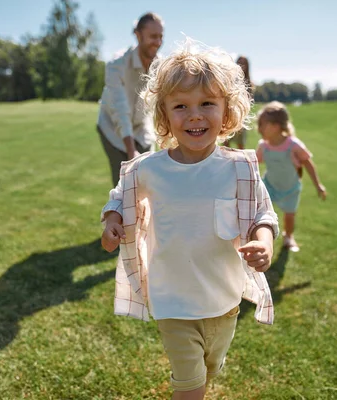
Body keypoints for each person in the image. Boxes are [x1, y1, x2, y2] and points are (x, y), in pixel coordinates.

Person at [100, 40, 279, 400]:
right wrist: (112, 219)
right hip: (172, 301)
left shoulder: (238, 168)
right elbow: (121, 193)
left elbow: (262, 212)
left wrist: (264, 241)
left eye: (207, 104)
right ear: (165, 116)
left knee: (209, 369)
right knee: (190, 385)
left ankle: (201, 372)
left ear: (227, 112)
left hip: (224, 302)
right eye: (181, 106)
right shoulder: (150, 169)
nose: (195, 115)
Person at [97, 12, 164, 187]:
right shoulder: (116, 65)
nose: (157, 42)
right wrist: (131, 150)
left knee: (149, 180)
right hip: (113, 129)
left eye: (160, 37)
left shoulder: (161, 67)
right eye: (153, 36)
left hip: (142, 128)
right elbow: (120, 109)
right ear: (138, 35)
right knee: (124, 185)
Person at [255, 101, 327, 252]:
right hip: (270, 185)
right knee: (259, 210)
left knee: (289, 215)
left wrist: (318, 185)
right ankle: (257, 236)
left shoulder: (292, 145)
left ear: (275, 126)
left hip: (291, 188)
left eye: (262, 124)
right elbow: (254, 163)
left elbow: (308, 163)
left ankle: (289, 237)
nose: (259, 128)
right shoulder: (263, 146)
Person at [225, 55, 254, 149]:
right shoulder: (230, 80)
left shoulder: (249, 83)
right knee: (226, 140)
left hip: (242, 116)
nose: (242, 65)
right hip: (229, 114)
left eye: (244, 63)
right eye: (240, 62)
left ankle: (240, 162)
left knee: (240, 143)